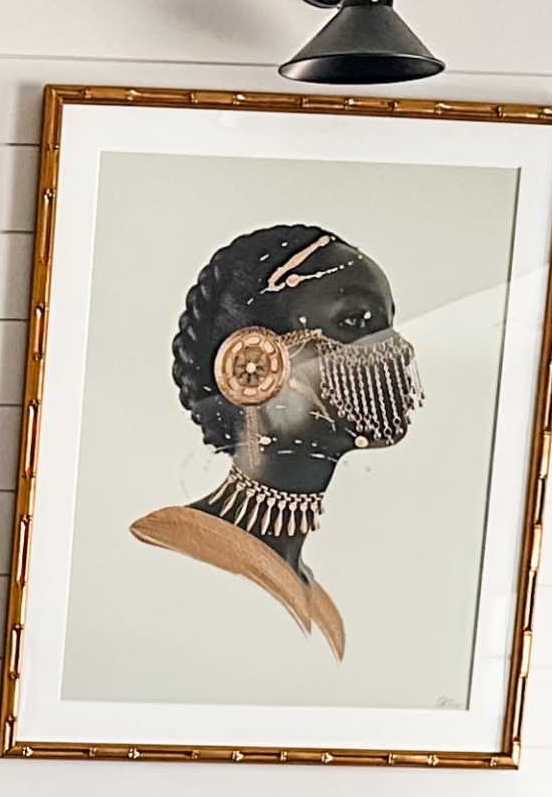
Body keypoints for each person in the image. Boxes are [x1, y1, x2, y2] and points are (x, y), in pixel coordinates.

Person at [133, 223, 422, 663]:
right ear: (253, 363)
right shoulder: (173, 559)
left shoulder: (320, 607)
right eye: (354, 322)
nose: (395, 348)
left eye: (387, 325)